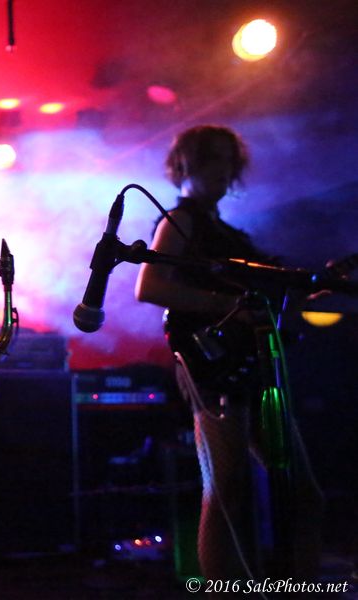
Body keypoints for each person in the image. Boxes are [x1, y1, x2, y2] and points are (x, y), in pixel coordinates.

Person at [135, 125, 323, 583]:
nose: (222, 169)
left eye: (227, 160)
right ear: (186, 164)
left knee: (301, 493)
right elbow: (150, 286)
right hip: (215, 368)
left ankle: (299, 588)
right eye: (212, 159)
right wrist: (229, 305)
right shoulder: (181, 221)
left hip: (252, 366)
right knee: (226, 491)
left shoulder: (228, 234)